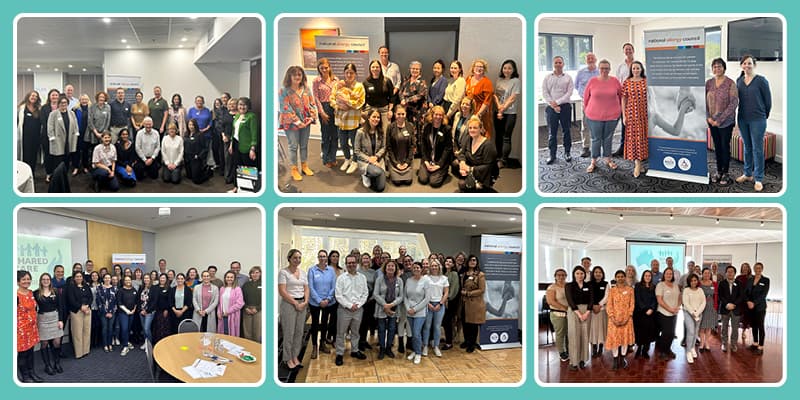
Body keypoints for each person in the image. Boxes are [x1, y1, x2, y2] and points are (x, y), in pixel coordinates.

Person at [735, 55, 772, 192]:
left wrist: (764, 116)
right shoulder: (739, 81)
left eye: (749, 63)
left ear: (754, 65)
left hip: (758, 119)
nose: (747, 65)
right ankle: (747, 174)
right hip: (743, 119)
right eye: (744, 63)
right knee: (747, 148)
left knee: (757, 149)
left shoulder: (761, 81)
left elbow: (768, 101)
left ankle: (758, 178)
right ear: (741, 65)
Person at [583, 60, 622, 173]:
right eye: (602, 68)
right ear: (598, 69)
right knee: (596, 139)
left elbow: (620, 96)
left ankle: (608, 159)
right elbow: (586, 98)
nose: (604, 70)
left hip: (612, 116)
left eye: (606, 68)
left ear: (609, 69)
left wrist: (619, 110)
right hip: (594, 116)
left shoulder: (615, 81)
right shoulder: (593, 81)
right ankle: (593, 161)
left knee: (608, 138)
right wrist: (587, 110)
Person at [280, 65, 318, 181]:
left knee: (304, 145)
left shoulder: (306, 89)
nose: (297, 77)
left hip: (306, 122)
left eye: (299, 74)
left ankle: (304, 166)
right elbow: (285, 108)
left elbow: (312, 103)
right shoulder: (284, 91)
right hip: (291, 123)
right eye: (294, 74)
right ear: (289, 76)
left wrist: (311, 117)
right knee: (293, 146)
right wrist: (297, 121)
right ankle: (294, 169)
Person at [705, 57, 738, 185]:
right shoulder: (708, 83)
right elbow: (703, 101)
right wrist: (708, 117)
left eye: (719, 66)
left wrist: (720, 120)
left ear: (724, 68)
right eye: (714, 66)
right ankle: (718, 171)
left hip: (726, 122)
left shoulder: (731, 83)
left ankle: (725, 173)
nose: (717, 68)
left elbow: (734, 103)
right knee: (717, 147)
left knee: (725, 146)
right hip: (711, 121)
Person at [334, 255, 368, 366]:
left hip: (358, 310)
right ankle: (339, 353)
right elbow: (338, 295)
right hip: (344, 310)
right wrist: (349, 305)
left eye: (353, 262)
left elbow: (365, 293)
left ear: (357, 263)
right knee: (340, 333)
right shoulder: (341, 278)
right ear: (346, 264)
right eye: (349, 263)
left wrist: (358, 305)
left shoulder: (362, 277)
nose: (351, 265)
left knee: (355, 332)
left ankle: (354, 350)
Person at [331, 63, 365, 175]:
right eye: (347, 73)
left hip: (353, 120)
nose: (349, 75)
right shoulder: (338, 85)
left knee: (355, 142)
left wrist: (348, 104)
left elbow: (360, 102)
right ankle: (347, 159)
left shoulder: (359, 86)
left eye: (351, 73)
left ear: (355, 74)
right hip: (341, 120)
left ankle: (355, 161)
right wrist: (338, 106)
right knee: (343, 142)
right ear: (344, 73)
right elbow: (332, 98)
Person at [278, 250, 308, 370]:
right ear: (289, 258)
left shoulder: (303, 272)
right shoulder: (283, 272)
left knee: (299, 333)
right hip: (289, 304)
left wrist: (305, 302)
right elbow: (282, 291)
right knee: (289, 333)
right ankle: (287, 358)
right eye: (295, 258)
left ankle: (295, 356)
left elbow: (306, 289)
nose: (297, 260)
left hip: (302, 304)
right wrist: (295, 303)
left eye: (299, 258)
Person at [621, 61, 648, 177]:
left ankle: (641, 162)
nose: (636, 70)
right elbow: (623, 99)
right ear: (631, 70)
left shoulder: (646, 81)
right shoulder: (627, 82)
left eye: (638, 68)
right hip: (632, 114)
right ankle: (637, 164)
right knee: (633, 138)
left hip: (644, 114)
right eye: (634, 69)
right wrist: (624, 115)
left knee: (642, 137)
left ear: (641, 69)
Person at [456, 115, 498, 192]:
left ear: (481, 129)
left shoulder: (488, 145)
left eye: (475, 128)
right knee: (455, 164)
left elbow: (488, 167)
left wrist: (469, 169)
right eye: (470, 128)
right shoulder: (469, 138)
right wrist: (462, 163)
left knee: (462, 185)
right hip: (472, 167)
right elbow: (462, 153)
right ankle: (471, 182)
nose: (472, 130)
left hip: (484, 174)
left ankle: (481, 186)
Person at [34, 273, 64, 375]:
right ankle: (47, 366)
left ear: (50, 280)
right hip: (42, 320)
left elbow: (60, 306)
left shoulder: (55, 291)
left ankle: (57, 363)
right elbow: (33, 308)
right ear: (40, 281)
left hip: (55, 318)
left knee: (57, 342)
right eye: (43, 279)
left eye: (47, 279)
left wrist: (61, 320)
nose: (46, 281)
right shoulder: (36, 293)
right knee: (44, 343)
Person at [374, 260, 404, 360]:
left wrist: (391, 304)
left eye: (392, 266)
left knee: (392, 329)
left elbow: (401, 296)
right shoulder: (379, 279)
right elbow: (375, 294)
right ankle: (382, 348)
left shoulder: (399, 281)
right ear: (385, 268)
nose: (390, 268)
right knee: (381, 329)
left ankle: (388, 348)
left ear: (395, 269)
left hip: (394, 308)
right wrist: (385, 305)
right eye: (388, 266)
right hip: (381, 308)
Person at [494, 59, 521, 168]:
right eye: (505, 68)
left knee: (506, 137)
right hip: (497, 111)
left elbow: (513, 98)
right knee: (498, 136)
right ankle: (498, 157)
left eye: (509, 68)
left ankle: (503, 160)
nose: (507, 70)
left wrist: (502, 109)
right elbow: (495, 95)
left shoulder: (516, 81)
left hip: (510, 113)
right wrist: (498, 107)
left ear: (513, 70)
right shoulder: (499, 80)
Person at [313, 58, 339, 168]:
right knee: (325, 135)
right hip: (323, 107)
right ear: (319, 68)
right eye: (322, 68)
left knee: (335, 135)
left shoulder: (335, 80)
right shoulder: (316, 81)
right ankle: (326, 158)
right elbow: (316, 97)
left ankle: (333, 158)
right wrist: (322, 112)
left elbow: (339, 95)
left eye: (326, 67)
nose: (324, 70)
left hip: (335, 108)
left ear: (330, 67)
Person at [605, 270, 635, 369]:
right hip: (613, 320)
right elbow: (609, 305)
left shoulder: (630, 290)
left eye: (622, 276)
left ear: (625, 277)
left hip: (627, 319)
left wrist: (627, 317)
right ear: (615, 278)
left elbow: (632, 304)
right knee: (615, 340)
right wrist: (613, 318)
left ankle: (622, 359)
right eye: (618, 276)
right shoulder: (612, 290)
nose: (620, 278)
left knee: (624, 340)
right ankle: (615, 360)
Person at [17, 270, 43, 383]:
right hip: (21, 330)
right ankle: (25, 376)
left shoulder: (31, 293)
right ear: (18, 281)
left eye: (28, 279)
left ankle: (32, 373)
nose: (26, 281)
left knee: (31, 352)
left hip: (32, 328)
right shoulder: (15, 296)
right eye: (23, 279)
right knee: (23, 353)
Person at [418, 106, 452, 188]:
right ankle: (429, 169)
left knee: (434, 182)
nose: (438, 117)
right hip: (428, 159)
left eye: (440, 115)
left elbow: (448, 149)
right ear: (432, 115)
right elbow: (423, 145)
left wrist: (439, 165)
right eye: (436, 114)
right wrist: (426, 161)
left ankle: (442, 171)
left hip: (440, 160)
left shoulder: (447, 129)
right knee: (423, 179)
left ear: (443, 116)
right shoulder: (427, 127)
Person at [229, 97, 259, 192]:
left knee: (247, 169)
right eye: (240, 105)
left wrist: (252, 149)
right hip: (236, 144)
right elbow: (234, 131)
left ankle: (248, 189)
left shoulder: (252, 116)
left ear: (248, 106)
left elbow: (254, 134)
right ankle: (237, 187)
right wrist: (231, 144)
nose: (242, 107)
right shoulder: (237, 116)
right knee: (237, 167)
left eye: (244, 105)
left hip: (247, 147)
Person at [565, 266, 591, 370]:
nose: (580, 275)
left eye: (582, 273)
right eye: (577, 273)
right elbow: (570, 300)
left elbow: (591, 299)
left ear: (585, 274)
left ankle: (582, 360)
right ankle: (574, 362)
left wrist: (587, 312)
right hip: (574, 311)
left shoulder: (588, 285)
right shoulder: (569, 285)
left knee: (585, 336)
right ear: (574, 274)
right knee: (574, 336)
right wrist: (580, 314)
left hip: (587, 311)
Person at [612, 43, 636, 156]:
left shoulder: (638, 65)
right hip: (624, 99)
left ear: (633, 50)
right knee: (624, 123)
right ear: (624, 52)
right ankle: (622, 147)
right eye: (626, 50)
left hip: (636, 99)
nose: (628, 51)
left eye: (630, 49)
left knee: (636, 125)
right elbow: (617, 83)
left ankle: (635, 148)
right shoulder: (621, 67)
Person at [354, 109, 387, 192]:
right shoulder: (360, 132)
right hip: (365, 161)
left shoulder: (381, 131)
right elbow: (357, 151)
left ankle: (373, 174)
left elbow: (383, 147)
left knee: (380, 187)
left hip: (377, 160)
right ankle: (365, 174)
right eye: (374, 117)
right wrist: (370, 159)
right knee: (378, 172)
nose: (376, 119)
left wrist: (376, 157)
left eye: (378, 117)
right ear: (368, 118)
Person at [404, 261, 430, 365]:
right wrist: (407, 308)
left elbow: (427, 299)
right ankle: (415, 351)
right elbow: (405, 296)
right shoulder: (409, 280)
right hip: (409, 311)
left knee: (416, 333)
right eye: (414, 268)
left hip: (420, 312)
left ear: (421, 269)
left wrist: (415, 309)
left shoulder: (425, 281)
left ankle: (418, 353)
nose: (416, 269)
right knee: (412, 333)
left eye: (418, 268)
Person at [423, 259, 449, 357]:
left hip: (439, 305)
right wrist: (428, 303)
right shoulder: (425, 278)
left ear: (439, 267)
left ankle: (436, 346)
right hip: (428, 304)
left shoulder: (444, 278)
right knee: (427, 326)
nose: (434, 267)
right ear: (429, 267)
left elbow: (446, 292)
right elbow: (423, 291)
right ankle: (425, 345)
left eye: (436, 265)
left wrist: (440, 303)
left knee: (437, 327)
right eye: (432, 265)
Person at [575, 53, 599, 157]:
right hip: (585, 102)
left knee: (598, 125)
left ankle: (597, 145)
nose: (590, 59)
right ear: (586, 61)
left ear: (596, 59)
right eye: (588, 58)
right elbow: (576, 86)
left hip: (598, 102)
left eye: (592, 58)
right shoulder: (581, 72)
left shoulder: (599, 72)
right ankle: (586, 147)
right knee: (585, 124)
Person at [47, 94, 79, 173]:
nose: (63, 104)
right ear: (58, 104)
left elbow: (75, 125)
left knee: (67, 159)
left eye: (65, 103)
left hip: (69, 140)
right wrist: (52, 137)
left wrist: (76, 134)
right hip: (58, 141)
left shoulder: (71, 113)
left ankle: (65, 176)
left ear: (67, 104)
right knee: (58, 162)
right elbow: (50, 127)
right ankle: (57, 178)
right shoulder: (53, 114)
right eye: (61, 103)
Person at [461, 254, 486, 353]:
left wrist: (468, 293)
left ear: (477, 262)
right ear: (467, 262)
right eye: (471, 260)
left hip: (474, 303)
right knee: (465, 323)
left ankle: (472, 344)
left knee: (473, 325)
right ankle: (466, 341)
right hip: (464, 303)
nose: (472, 262)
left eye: (474, 260)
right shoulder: (464, 274)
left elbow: (481, 290)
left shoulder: (480, 275)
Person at [385, 105, 415, 185]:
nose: (401, 116)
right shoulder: (390, 127)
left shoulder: (410, 126)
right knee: (397, 182)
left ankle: (406, 166)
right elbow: (389, 147)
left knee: (408, 181)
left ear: (406, 114)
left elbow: (412, 146)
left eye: (403, 114)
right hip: (394, 160)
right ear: (395, 114)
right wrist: (396, 163)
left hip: (406, 160)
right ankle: (393, 168)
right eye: (398, 114)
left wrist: (407, 162)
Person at [399, 61, 429, 141]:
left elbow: (421, 95)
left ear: (420, 70)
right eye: (413, 69)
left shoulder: (422, 81)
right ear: (410, 69)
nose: (414, 70)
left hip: (418, 113)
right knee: (408, 131)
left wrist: (406, 100)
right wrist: (402, 99)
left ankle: (418, 152)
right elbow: (400, 92)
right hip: (407, 112)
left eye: (417, 69)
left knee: (418, 133)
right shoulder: (406, 80)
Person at [364, 59, 396, 133]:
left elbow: (392, 97)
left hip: (384, 110)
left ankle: (384, 145)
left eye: (377, 67)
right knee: (370, 132)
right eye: (373, 67)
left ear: (380, 68)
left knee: (385, 132)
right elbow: (364, 98)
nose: (375, 69)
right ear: (370, 68)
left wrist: (390, 110)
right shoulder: (366, 82)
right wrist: (363, 112)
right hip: (370, 110)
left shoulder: (387, 81)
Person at [66, 271, 93, 359]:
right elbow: (71, 300)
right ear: (74, 278)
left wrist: (87, 306)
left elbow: (91, 297)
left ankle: (86, 350)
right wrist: (81, 307)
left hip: (87, 310)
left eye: (80, 276)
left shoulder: (86, 286)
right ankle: (79, 353)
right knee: (77, 332)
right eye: (77, 276)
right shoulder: (71, 287)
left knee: (87, 331)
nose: (79, 278)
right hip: (76, 311)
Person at [465, 59, 494, 139]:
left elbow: (487, 101)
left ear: (484, 69)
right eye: (477, 66)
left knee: (482, 135)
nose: (479, 68)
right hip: (470, 111)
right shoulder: (468, 79)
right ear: (473, 68)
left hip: (482, 112)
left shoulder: (487, 82)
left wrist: (478, 114)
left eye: (481, 67)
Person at [655, 267, 680, 360]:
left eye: (670, 274)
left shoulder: (675, 285)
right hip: (663, 313)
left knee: (672, 333)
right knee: (666, 333)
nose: (669, 275)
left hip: (674, 313)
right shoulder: (660, 285)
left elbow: (679, 297)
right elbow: (659, 300)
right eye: (667, 273)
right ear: (664, 275)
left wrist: (678, 306)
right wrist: (670, 309)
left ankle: (668, 349)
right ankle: (662, 352)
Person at [718, 265, 744, 352]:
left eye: (731, 272)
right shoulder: (722, 283)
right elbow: (720, 296)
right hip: (725, 309)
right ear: (725, 273)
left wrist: (734, 304)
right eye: (728, 271)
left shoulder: (739, 283)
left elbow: (741, 296)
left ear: (734, 273)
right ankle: (724, 344)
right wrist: (727, 304)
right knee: (724, 328)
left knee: (735, 328)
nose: (730, 273)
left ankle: (733, 344)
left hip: (736, 309)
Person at [545, 268, 569, 362]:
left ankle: (568, 350)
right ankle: (562, 352)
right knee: (560, 334)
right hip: (558, 314)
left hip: (569, 314)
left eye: (563, 275)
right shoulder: (552, 288)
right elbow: (550, 301)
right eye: (559, 275)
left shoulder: (568, 286)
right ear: (555, 276)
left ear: (566, 276)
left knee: (569, 333)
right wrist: (564, 308)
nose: (561, 277)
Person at [747, 262, 770, 355]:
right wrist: (748, 301)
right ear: (754, 269)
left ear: (762, 269)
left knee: (760, 326)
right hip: (750, 306)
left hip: (760, 307)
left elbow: (763, 295)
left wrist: (754, 303)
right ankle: (755, 343)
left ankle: (761, 346)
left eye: (760, 268)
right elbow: (746, 292)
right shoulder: (750, 279)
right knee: (754, 325)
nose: (758, 269)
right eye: (756, 268)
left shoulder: (766, 280)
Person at [633, 269, 657, 359]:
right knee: (640, 332)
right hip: (640, 313)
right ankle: (639, 349)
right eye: (646, 275)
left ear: (651, 277)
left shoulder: (654, 287)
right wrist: (645, 309)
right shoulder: (638, 285)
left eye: (649, 276)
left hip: (651, 314)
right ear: (643, 276)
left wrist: (651, 308)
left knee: (648, 333)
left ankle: (645, 351)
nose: (647, 277)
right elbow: (638, 299)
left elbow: (655, 299)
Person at [682, 274, 705, 363]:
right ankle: (688, 352)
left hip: (698, 313)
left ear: (697, 281)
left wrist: (697, 313)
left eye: (695, 280)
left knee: (696, 331)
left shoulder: (700, 290)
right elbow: (686, 303)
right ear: (689, 282)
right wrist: (693, 313)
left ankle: (692, 348)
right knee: (691, 331)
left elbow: (703, 302)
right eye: (691, 281)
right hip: (688, 313)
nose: (693, 282)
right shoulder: (686, 290)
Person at [357, 253, 378, 351]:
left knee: (367, 322)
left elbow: (376, 286)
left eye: (367, 258)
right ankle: (359, 342)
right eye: (364, 258)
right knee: (360, 322)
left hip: (370, 300)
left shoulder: (373, 272)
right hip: (360, 299)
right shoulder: (357, 271)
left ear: (370, 260)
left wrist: (372, 297)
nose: (366, 260)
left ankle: (364, 340)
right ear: (361, 260)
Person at [18, 91, 42, 174]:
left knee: (34, 156)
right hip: (25, 137)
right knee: (26, 156)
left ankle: (32, 173)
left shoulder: (39, 109)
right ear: (28, 96)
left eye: (36, 96)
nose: (34, 97)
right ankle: (25, 174)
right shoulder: (22, 108)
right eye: (32, 95)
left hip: (36, 137)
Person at [40, 89, 61, 182]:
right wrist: (51, 133)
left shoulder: (62, 107)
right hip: (47, 136)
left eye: (56, 95)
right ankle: (49, 173)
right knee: (48, 155)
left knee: (58, 155)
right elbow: (44, 122)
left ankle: (57, 174)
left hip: (60, 136)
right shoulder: (44, 108)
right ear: (49, 96)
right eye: (53, 95)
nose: (54, 97)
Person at [588, 266, 608, 358]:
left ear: (602, 274)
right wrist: (593, 306)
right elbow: (587, 296)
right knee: (593, 330)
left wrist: (599, 305)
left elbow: (607, 296)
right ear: (593, 274)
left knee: (601, 330)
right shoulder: (588, 284)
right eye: (596, 272)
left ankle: (601, 347)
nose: (598, 274)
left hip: (602, 310)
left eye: (600, 272)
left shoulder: (606, 284)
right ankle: (594, 348)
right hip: (591, 311)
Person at [116, 276, 138, 356]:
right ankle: (125, 347)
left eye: (129, 280)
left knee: (128, 329)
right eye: (126, 280)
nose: (128, 281)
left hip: (132, 313)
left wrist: (133, 310)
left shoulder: (134, 290)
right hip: (123, 313)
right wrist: (127, 311)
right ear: (124, 281)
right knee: (124, 329)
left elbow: (136, 301)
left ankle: (127, 341)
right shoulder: (120, 291)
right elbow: (119, 303)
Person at [184, 119, 211, 184]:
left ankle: (208, 172)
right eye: (189, 125)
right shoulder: (186, 134)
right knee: (189, 176)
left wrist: (198, 156)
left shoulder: (200, 135)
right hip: (188, 158)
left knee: (196, 180)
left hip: (196, 158)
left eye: (192, 125)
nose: (191, 126)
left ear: (195, 125)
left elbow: (205, 148)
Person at [217, 271, 244, 336]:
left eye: (231, 277)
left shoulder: (237, 289)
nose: (229, 279)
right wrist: (218, 312)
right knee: (223, 334)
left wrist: (228, 312)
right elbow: (219, 303)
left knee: (231, 335)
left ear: (234, 279)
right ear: (225, 278)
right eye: (228, 277)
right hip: (222, 315)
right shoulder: (222, 289)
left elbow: (240, 303)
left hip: (232, 315)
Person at [97, 273, 118, 352]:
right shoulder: (99, 288)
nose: (107, 279)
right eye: (106, 278)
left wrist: (111, 312)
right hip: (103, 313)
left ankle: (110, 344)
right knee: (104, 328)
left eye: (109, 278)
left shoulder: (114, 289)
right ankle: (105, 344)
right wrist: (105, 312)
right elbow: (98, 301)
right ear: (103, 279)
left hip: (112, 312)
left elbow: (116, 302)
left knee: (110, 328)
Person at [72, 94, 91, 175]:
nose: (84, 101)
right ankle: (76, 167)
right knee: (76, 151)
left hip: (87, 133)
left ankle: (85, 166)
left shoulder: (91, 109)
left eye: (86, 99)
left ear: (88, 100)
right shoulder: (75, 109)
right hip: (77, 133)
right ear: (79, 100)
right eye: (82, 99)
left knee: (85, 151)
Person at [242, 266, 262, 343]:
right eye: (253, 273)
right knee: (247, 331)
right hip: (246, 309)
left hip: (258, 310)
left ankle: (257, 347)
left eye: (257, 272)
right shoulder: (246, 285)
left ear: (260, 274)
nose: (255, 274)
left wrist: (257, 309)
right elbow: (241, 298)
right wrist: (246, 307)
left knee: (257, 330)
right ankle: (248, 346)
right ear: (250, 274)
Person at [138, 274, 157, 349]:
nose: (146, 279)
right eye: (145, 278)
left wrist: (147, 311)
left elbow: (154, 301)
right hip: (141, 311)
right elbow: (138, 300)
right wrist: (140, 310)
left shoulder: (154, 288)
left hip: (150, 312)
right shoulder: (141, 287)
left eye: (147, 278)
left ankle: (149, 344)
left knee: (146, 328)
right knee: (144, 328)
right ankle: (145, 342)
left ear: (150, 279)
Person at [152, 273, 171, 343]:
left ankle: (164, 342)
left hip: (164, 311)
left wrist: (166, 309)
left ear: (166, 279)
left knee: (163, 327)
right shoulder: (155, 287)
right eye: (161, 278)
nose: (162, 279)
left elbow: (170, 300)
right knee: (156, 326)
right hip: (156, 310)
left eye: (164, 278)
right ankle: (157, 342)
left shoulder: (169, 288)